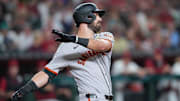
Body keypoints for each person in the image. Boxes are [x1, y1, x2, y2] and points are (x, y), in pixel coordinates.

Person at [11, 2, 114, 101]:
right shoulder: (67, 47)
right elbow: (47, 73)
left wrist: (75, 39)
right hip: (90, 98)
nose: (100, 19)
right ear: (87, 17)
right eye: (97, 16)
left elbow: (102, 46)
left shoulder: (105, 36)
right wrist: (24, 90)